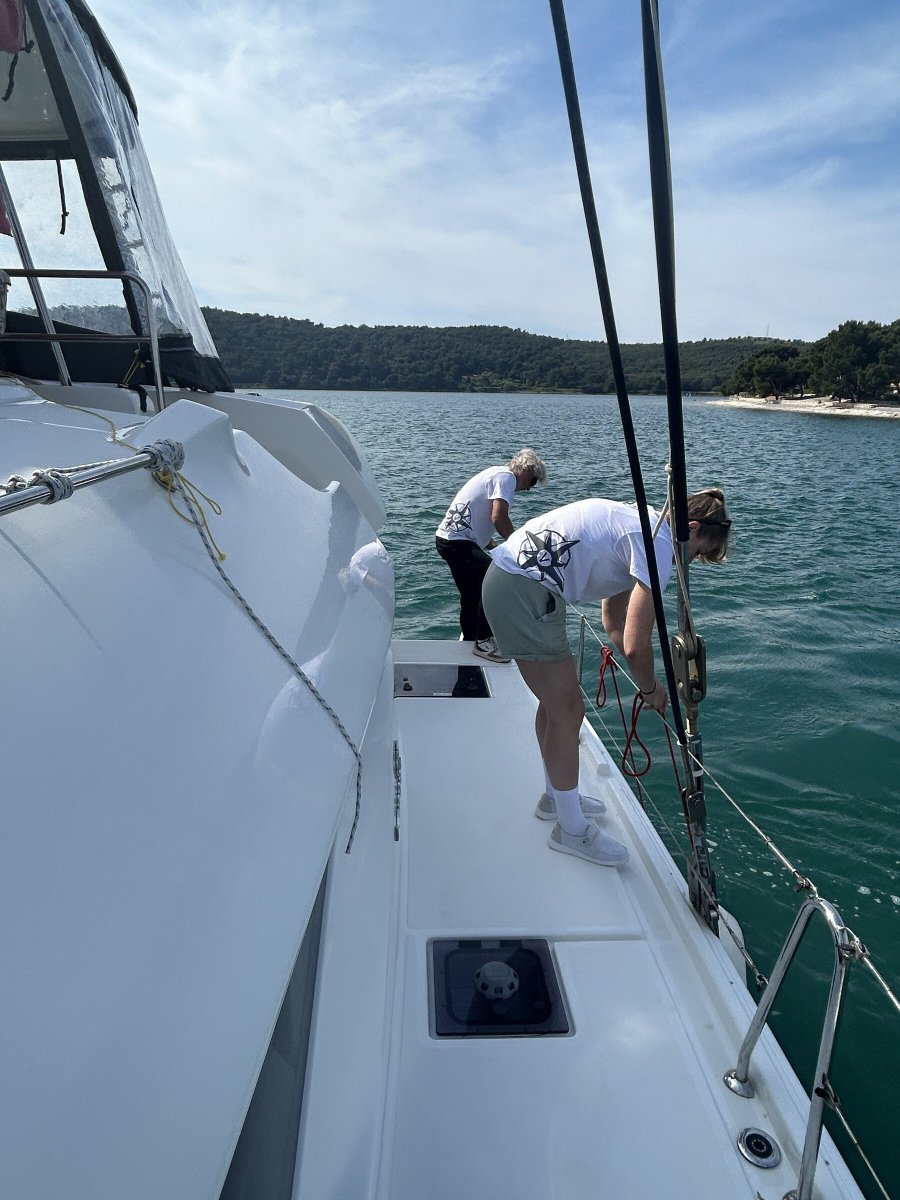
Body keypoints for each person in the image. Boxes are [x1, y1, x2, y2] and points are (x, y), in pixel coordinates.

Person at [481, 489, 731, 866]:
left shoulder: (644, 522)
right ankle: (571, 831)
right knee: (568, 711)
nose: (689, 562)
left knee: (556, 706)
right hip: (524, 592)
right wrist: (650, 688)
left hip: (509, 581)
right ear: (691, 528)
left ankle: (556, 797)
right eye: (695, 552)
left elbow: (613, 620)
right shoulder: (658, 544)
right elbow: (635, 645)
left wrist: (638, 672)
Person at [435, 449, 548, 663]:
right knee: (494, 584)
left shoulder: (495, 474)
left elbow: (481, 515)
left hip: (447, 540)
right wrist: (517, 545)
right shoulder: (506, 477)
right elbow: (498, 516)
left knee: (471, 595)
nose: (530, 488)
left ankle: (471, 639)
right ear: (526, 469)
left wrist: (492, 544)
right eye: (532, 481)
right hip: (458, 543)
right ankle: (485, 641)